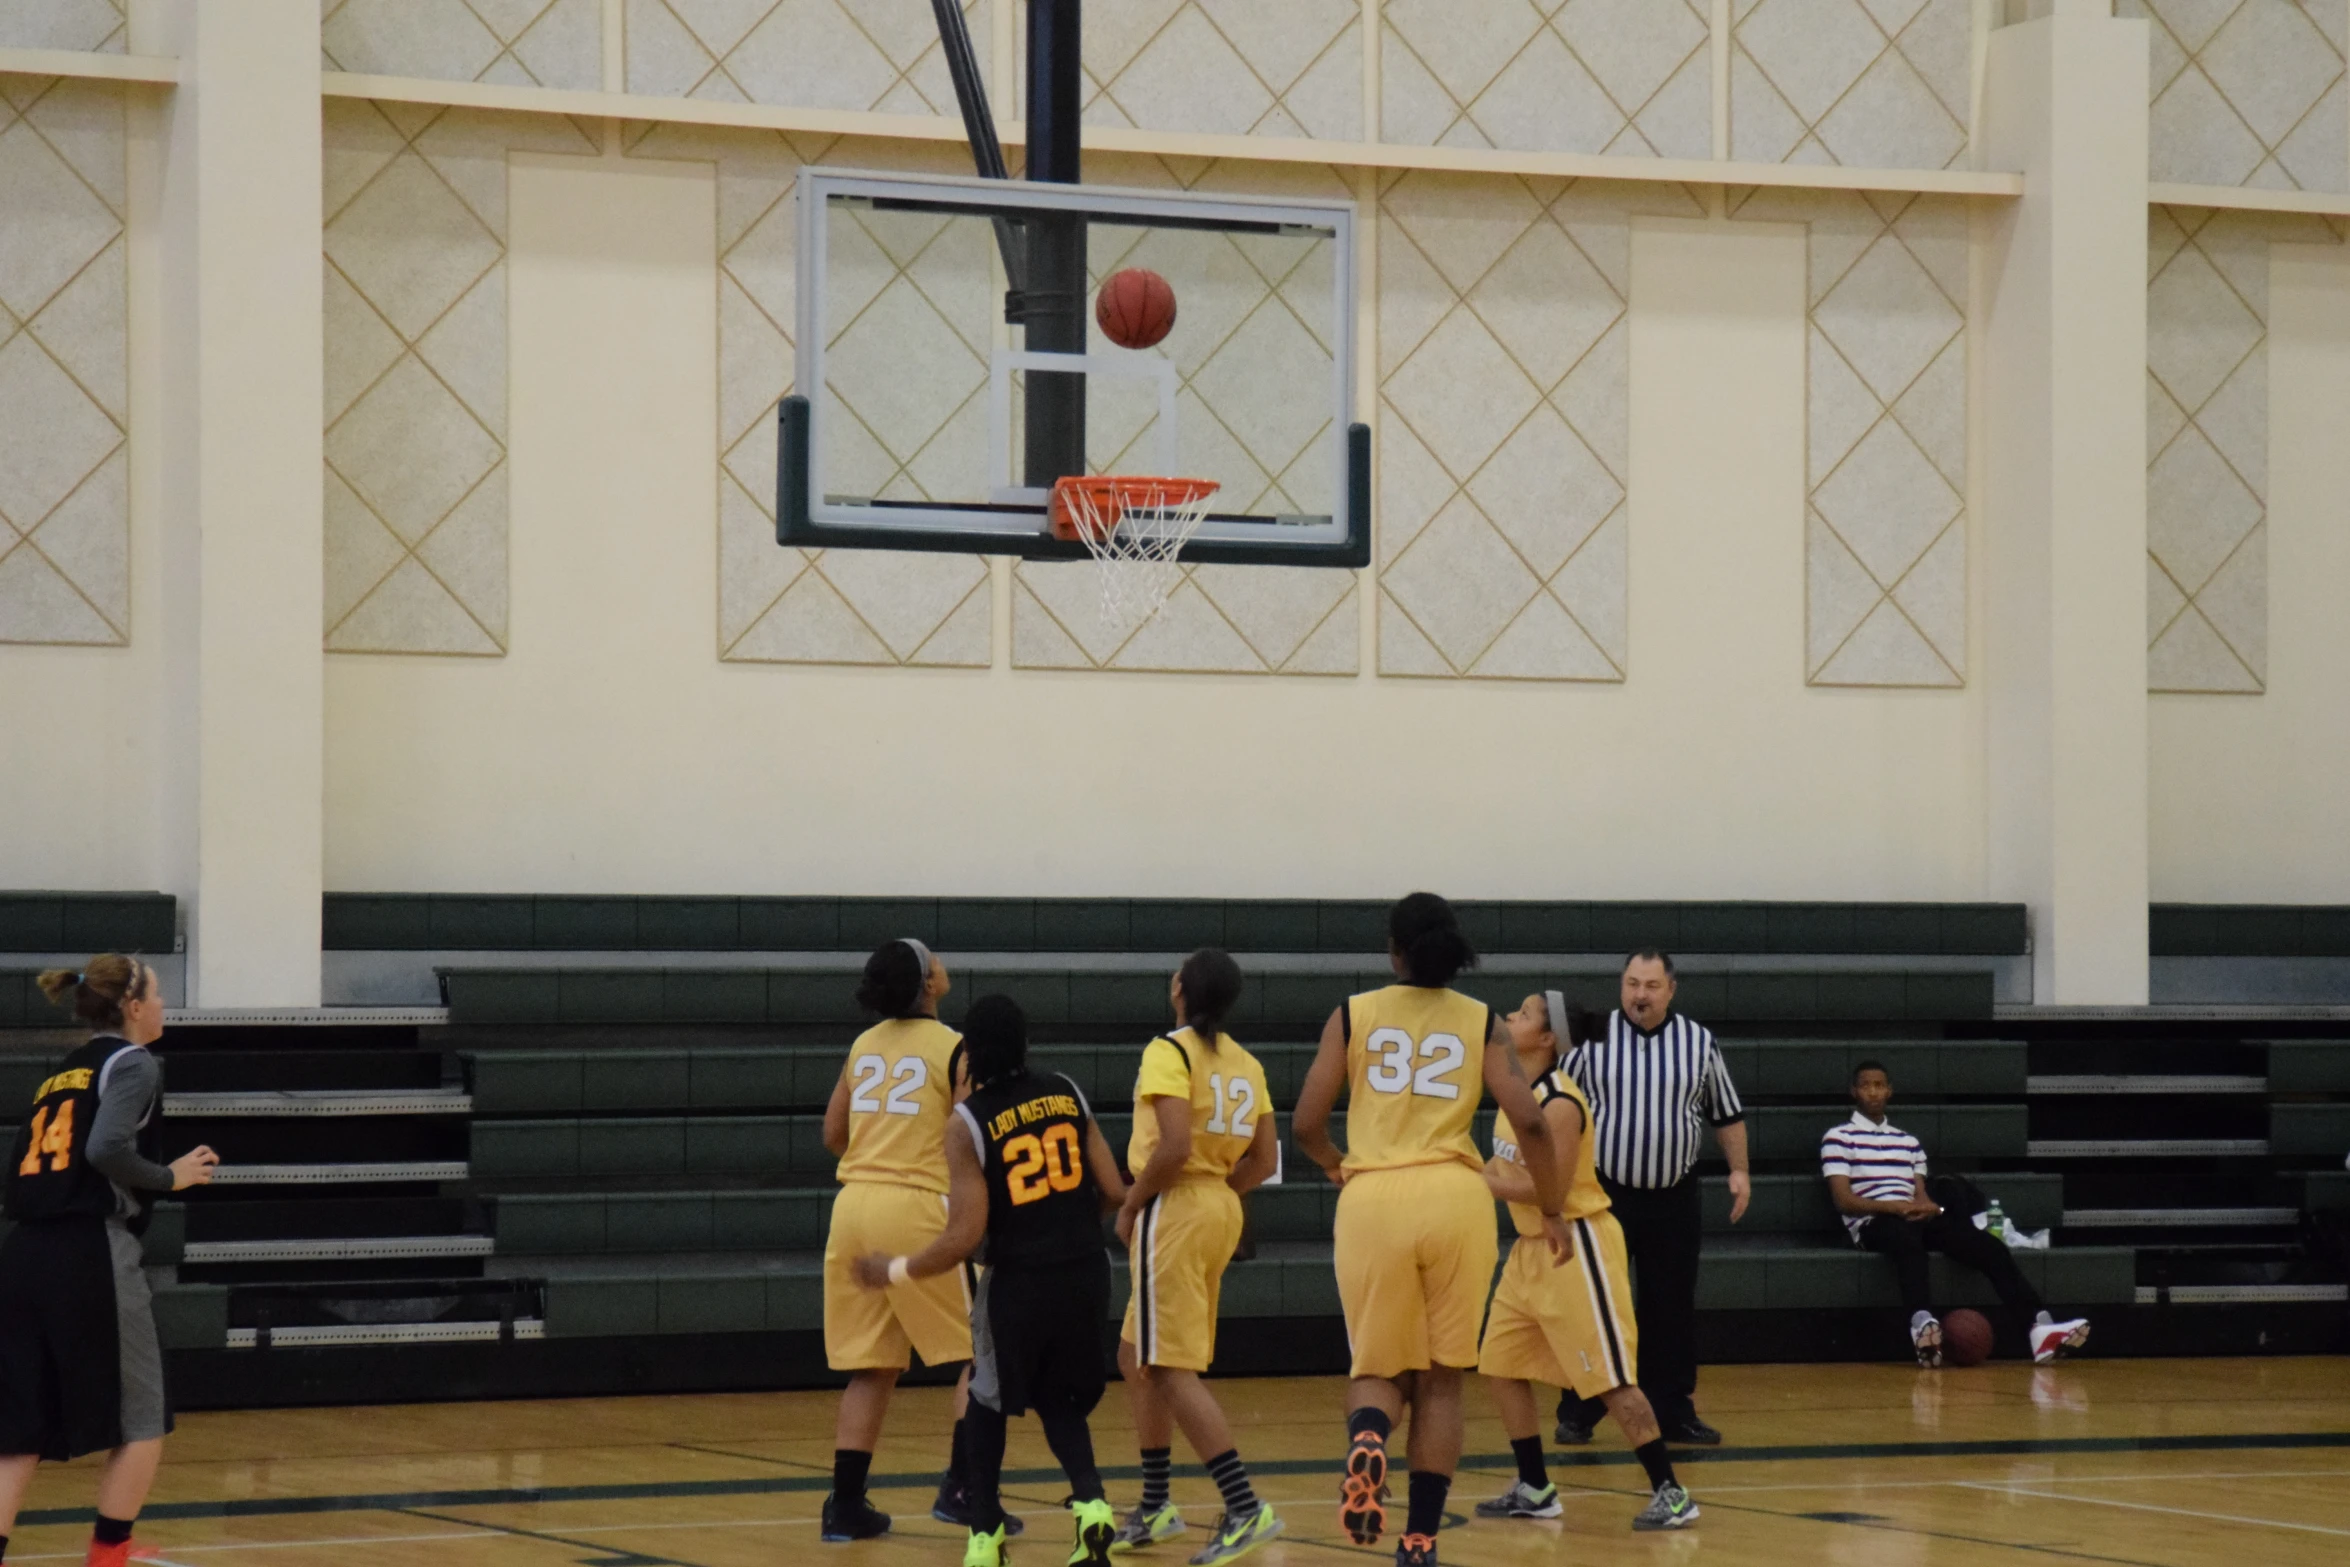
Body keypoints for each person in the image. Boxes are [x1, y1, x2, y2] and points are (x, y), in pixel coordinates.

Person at [1293, 893, 1571, 1567]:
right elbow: (1531, 1122)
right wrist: (1554, 1206)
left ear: (1393, 950)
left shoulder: (1353, 1013)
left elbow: (1304, 1122)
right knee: (1443, 1380)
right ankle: (1419, 1540)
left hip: (1373, 1199)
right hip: (1456, 1198)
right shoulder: (1480, 1022)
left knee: (1377, 1367)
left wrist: (1337, 1166)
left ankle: (1368, 1438)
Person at [853, 994, 1127, 1567]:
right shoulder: (1066, 1091)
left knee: (986, 1398)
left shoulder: (967, 1123)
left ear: (969, 1056)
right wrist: (1068, 1223)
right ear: (1026, 1043)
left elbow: (963, 1235)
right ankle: (1093, 1506)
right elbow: (1114, 1189)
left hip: (1019, 1283)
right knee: (1060, 1396)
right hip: (1085, 1271)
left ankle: (982, 1535)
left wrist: (896, 1269)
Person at [1, 956, 218, 1567]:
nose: (164, 1005)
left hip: (22, 1253)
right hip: (87, 1249)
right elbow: (105, 1148)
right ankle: (108, 1553)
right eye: (158, 994)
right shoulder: (135, 1064)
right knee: (144, 1416)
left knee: (18, 1432)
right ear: (132, 1006)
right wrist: (169, 1178)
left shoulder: (64, 1073)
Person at [1476, 994, 1698, 1531]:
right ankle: (1534, 1486)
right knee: (1500, 1366)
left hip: (1577, 1244)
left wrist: (1475, 1182)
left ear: (1548, 1039)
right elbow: (1497, 1164)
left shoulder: (1560, 1103)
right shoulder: (1515, 1094)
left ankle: (1671, 1493)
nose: (1510, 1017)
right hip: (1530, 1251)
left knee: (1610, 1378)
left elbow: (1544, 1186)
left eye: (1524, 1014)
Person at [819, 939, 1009, 1541]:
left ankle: (844, 1506)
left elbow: (833, 1133)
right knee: (981, 1354)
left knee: (871, 1368)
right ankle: (961, 1487)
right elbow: (970, 1133)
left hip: (852, 1208)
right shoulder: (957, 1047)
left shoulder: (862, 1045)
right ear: (929, 982)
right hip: (918, 1206)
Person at [1109, 950, 1283, 1564]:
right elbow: (1262, 1160)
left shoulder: (1169, 1050)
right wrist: (1217, 1196)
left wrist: (1131, 1205)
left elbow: (1175, 1144)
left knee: (1169, 1366)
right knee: (1137, 1357)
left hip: (1176, 1207)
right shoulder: (1247, 1061)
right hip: (1218, 1208)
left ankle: (1243, 1505)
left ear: (1180, 987)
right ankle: (1156, 1505)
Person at [1555, 951, 1747, 1447]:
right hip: (1604, 1194)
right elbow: (1552, 1096)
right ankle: (1579, 1409)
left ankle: (1675, 1410)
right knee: (1598, 1305)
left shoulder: (1699, 1042)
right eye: (1632, 983)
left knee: (1672, 1305)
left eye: (1651, 985)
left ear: (1671, 990)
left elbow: (1725, 1113)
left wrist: (1740, 1170)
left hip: (1674, 1197)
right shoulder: (1590, 1037)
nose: (1640, 994)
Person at [1824, 1061, 2088, 1367]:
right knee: (1908, 1242)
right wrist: (1897, 1207)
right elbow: (1844, 1201)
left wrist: (1927, 1208)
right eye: (1866, 1085)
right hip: (1873, 1223)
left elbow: (1919, 1192)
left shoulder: (1907, 1141)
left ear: (1889, 1091)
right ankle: (1923, 1328)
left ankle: (2039, 1328)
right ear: (1854, 1091)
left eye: (1879, 1085)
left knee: (1987, 1245)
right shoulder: (1838, 1137)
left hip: (1912, 1216)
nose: (1873, 1091)